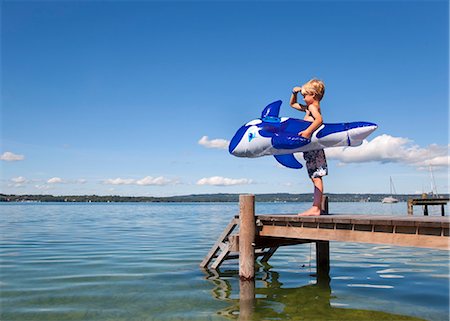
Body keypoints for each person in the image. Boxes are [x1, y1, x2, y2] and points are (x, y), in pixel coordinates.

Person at [290, 79, 327, 216]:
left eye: (305, 95)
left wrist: (308, 132)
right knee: (314, 176)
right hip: (311, 148)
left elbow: (319, 120)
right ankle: (317, 206)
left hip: (314, 148)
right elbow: (292, 104)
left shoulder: (312, 108)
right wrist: (294, 92)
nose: (303, 98)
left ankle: (316, 208)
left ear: (314, 95)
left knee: (316, 176)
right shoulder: (308, 108)